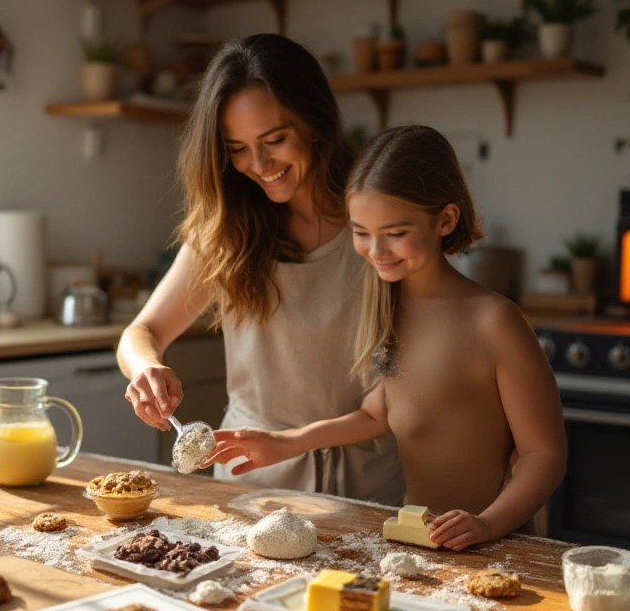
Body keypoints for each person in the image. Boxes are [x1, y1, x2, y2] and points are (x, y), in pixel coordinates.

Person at [206, 125, 566, 551]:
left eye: (395, 233)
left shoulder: (495, 321)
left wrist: (487, 524)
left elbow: (544, 454)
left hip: (496, 543)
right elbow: (379, 413)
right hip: (416, 538)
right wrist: (286, 443)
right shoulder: (387, 306)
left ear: (445, 221)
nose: (376, 250)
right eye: (361, 232)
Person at [117, 34, 405, 505]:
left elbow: (409, 378)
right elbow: (142, 330)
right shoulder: (226, 229)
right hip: (252, 484)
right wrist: (146, 368)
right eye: (237, 148)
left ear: (314, 121)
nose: (259, 164)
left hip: (368, 484)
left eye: (275, 140)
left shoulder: (374, 218)